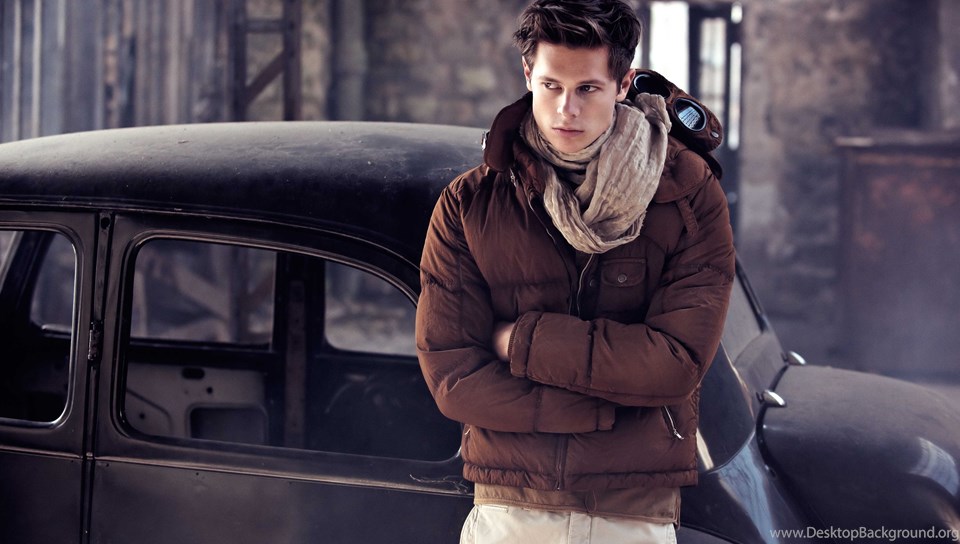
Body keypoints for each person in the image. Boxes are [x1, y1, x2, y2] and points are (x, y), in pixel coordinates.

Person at [416, 0, 735, 542]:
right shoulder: (470, 204)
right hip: (511, 509)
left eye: (587, 88)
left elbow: (676, 365)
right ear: (527, 75)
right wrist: (605, 408)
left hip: (633, 513)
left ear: (622, 83)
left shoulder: (688, 195)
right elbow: (453, 378)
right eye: (551, 86)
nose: (566, 109)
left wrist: (519, 342)